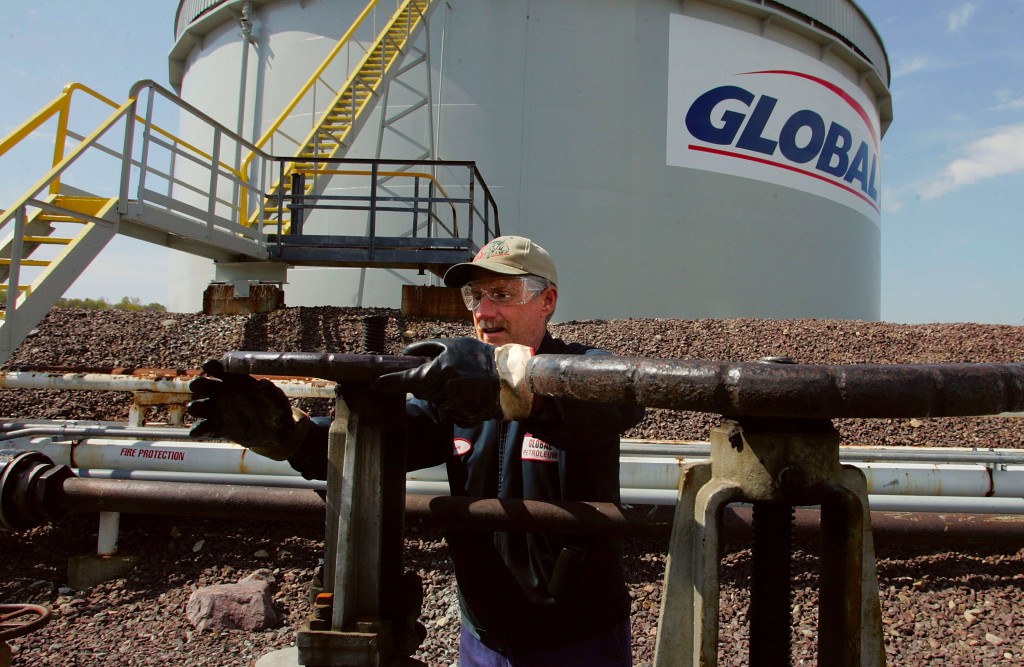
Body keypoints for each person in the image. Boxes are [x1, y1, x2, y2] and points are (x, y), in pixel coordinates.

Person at [187, 235, 645, 666]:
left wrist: (515, 388)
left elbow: (612, 405)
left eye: (502, 294)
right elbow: (390, 444)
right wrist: (291, 436)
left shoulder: (583, 369)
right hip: (484, 634)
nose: (483, 311)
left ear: (547, 301)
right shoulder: (458, 392)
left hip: (577, 636)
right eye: (474, 297)